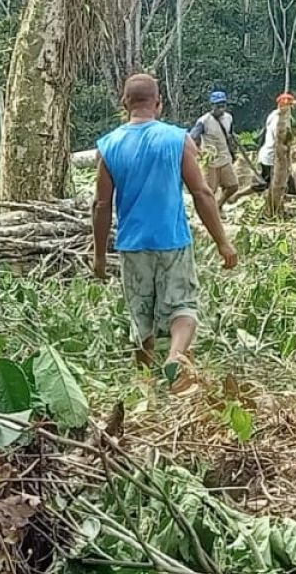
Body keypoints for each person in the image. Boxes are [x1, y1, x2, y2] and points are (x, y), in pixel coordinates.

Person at [93, 74, 238, 395]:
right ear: (158, 104)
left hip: (132, 245)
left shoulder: (108, 146)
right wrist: (222, 242)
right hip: (172, 241)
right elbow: (202, 193)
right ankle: (175, 357)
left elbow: (101, 205)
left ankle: (146, 388)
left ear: (124, 105)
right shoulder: (178, 139)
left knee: (141, 316)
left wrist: (100, 256)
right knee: (183, 308)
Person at [189, 91, 241, 207]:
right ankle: (209, 212)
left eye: (223, 106)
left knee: (233, 186)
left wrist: (234, 150)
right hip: (211, 161)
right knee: (209, 191)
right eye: (218, 106)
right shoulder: (204, 121)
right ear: (212, 106)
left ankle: (219, 205)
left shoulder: (228, 118)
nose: (221, 109)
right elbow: (192, 137)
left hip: (224, 157)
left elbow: (230, 134)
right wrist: (199, 152)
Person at [257, 92, 296, 194]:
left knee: (267, 185)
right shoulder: (278, 122)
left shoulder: (274, 115)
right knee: (273, 186)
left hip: (270, 156)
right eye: (289, 107)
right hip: (271, 157)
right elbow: (279, 142)